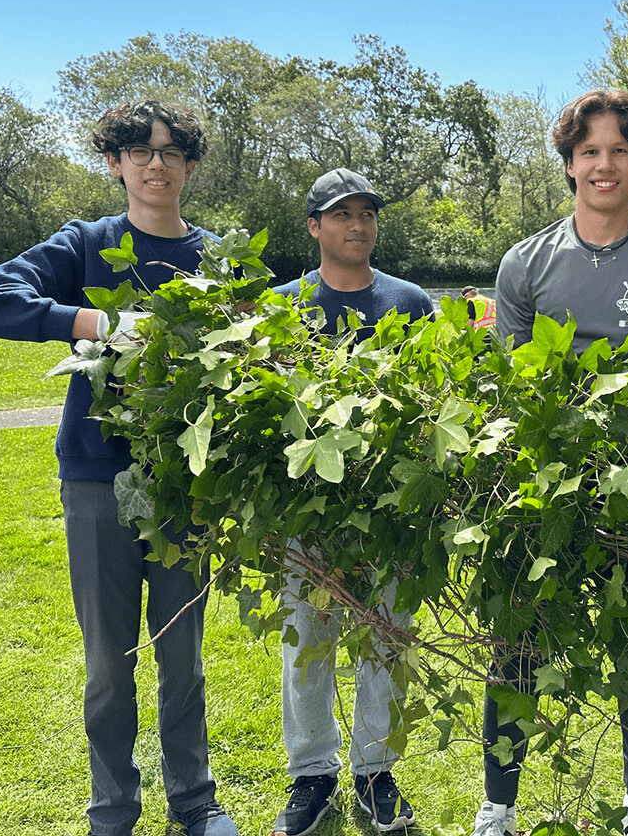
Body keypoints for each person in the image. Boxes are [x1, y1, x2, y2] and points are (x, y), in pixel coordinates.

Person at [0, 100, 237, 836]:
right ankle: (112, 810)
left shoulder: (218, 258)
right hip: (95, 479)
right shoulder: (88, 244)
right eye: (138, 150)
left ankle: (197, 801)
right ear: (114, 162)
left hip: (187, 483)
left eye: (172, 151)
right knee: (109, 662)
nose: (157, 163)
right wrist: (97, 323)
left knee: (181, 654)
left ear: (190, 164)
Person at [475, 89, 628, 836]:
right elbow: (512, 384)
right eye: (589, 153)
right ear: (569, 165)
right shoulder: (526, 263)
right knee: (517, 644)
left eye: (618, 151)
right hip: (541, 487)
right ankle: (497, 805)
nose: (603, 165)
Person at [269, 168, 433, 836]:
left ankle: (375, 773)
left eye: (366, 214)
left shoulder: (410, 301)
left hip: (390, 511)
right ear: (313, 226)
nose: (357, 226)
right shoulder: (279, 308)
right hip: (306, 513)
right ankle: (312, 776)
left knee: (386, 641)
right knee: (307, 644)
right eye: (341, 215)